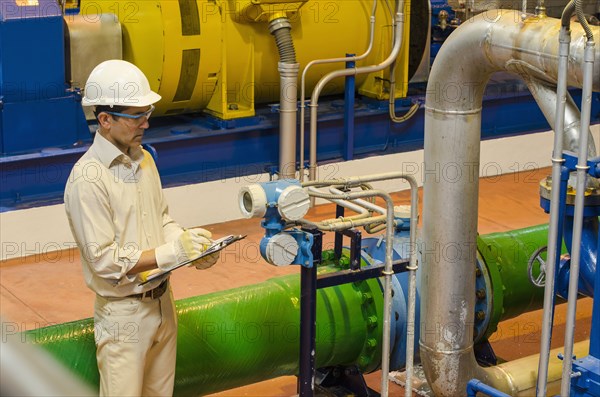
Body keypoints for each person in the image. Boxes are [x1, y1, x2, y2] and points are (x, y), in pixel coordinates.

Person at [64, 59, 219, 397]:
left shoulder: (144, 160)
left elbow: (160, 218)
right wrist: (172, 252)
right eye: (137, 116)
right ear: (105, 119)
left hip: (163, 304)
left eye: (146, 113)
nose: (146, 123)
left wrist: (189, 245)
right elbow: (104, 261)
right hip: (124, 316)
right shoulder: (88, 180)